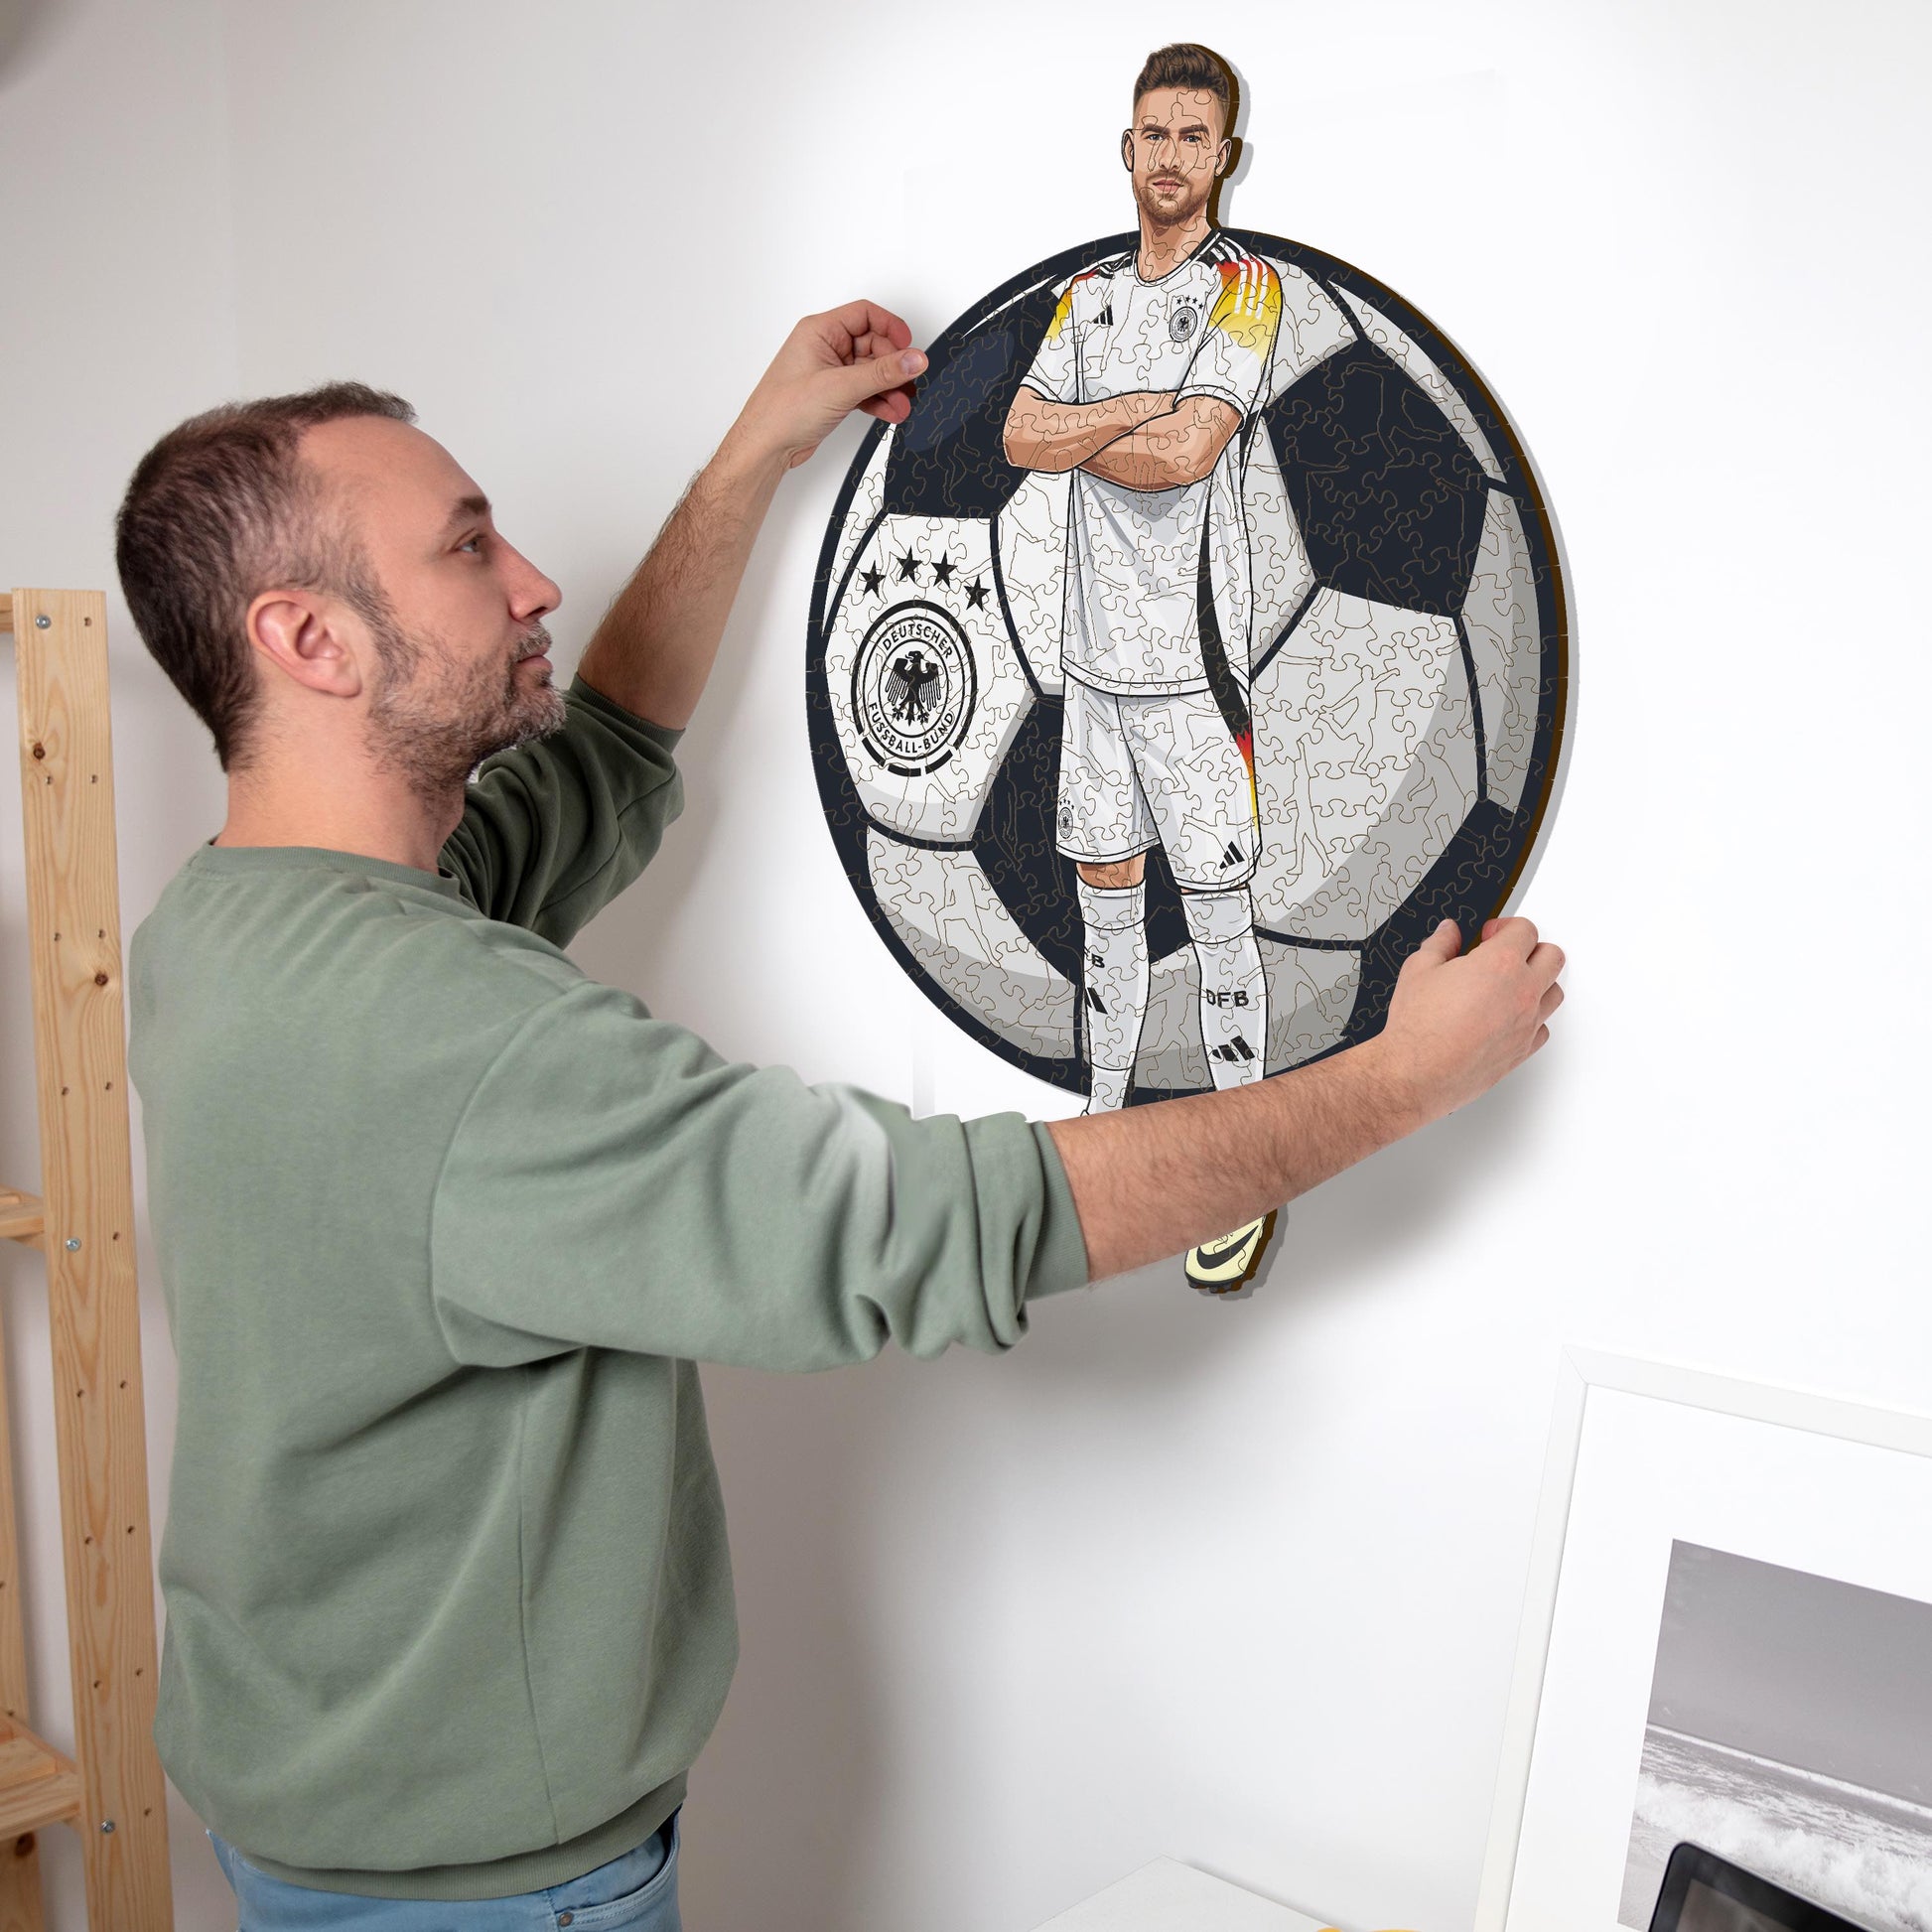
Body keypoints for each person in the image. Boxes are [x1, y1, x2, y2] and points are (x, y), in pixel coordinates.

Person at [114, 294, 1562, 1920]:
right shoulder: (448, 1039)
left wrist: (755, 452)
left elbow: (597, 753)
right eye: (465, 549)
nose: (532, 581)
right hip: (483, 1891)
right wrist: (1395, 1081)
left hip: (315, 1810)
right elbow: (934, 1223)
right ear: (307, 640)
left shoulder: (227, 926)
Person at [1004, 43, 1287, 1293]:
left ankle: (1246, 1167)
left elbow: (1187, 456)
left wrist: (1095, 427)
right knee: (1104, 916)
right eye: (1153, 134)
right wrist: (1130, 410)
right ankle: (1103, 1138)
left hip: (1191, 675)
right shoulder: (1083, 299)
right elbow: (1018, 433)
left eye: (1192, 137)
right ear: (1127, 150)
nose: (1170, 156)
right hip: (1094, 676)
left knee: (1218, 923)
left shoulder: (1245, 292)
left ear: (1223, 156)